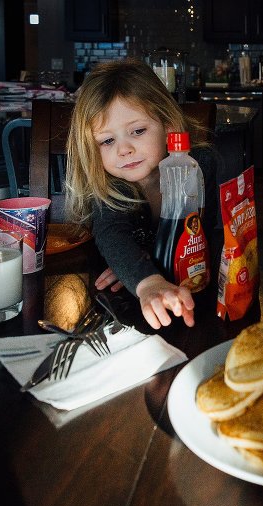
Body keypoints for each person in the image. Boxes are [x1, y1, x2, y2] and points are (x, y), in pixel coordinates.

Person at [65, 58, 219, 329]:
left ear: (169, 126)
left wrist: (138, 263)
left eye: (137, 131)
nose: (123, 150)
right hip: (125, 311)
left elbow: (205, 232)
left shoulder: (198, 165)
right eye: (107, 141)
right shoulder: (112, 186)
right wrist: (145, 279)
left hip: (197, 294)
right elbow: (111, 234)